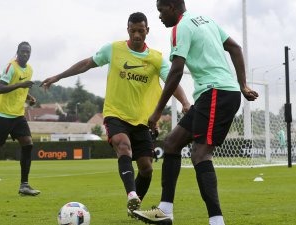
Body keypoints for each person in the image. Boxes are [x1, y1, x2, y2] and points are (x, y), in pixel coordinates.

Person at [40, 12, 190, 216]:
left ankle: (134, 207)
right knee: (123, 145)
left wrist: (185, 102)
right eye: (133, 30)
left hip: (142, 121)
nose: (137, 35)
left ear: (148, 31)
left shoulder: (156, 59)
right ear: (127, 30)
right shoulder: (113, 50)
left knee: (146, 169)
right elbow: (86, 63)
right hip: (115, 114)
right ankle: (131, 195)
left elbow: (172, 80)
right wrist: (58, 76)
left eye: (141, 30)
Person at [133, 1, 259, 225]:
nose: (160, 17)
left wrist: (156, 112)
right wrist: (243, 85)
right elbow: (235, 48)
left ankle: (216, 221)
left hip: (216, 93)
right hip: (214, 94)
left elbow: (176, 71)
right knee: (172, 144)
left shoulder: (180, 27)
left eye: (161, 11)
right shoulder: (206, 21)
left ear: (172, 7)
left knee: (200, 154)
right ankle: (165, 211)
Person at [0, 41, 40, 198]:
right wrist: (21, 85)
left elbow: (21, 90)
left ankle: (24, 186)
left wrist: (29, 97)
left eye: (28, 52)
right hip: (2, 115)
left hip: (18, 115)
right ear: (18, 52)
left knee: (28, 144)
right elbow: (0, 88)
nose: (25, 54)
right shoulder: (10, 67)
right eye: (23, 51)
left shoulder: (30, 69)